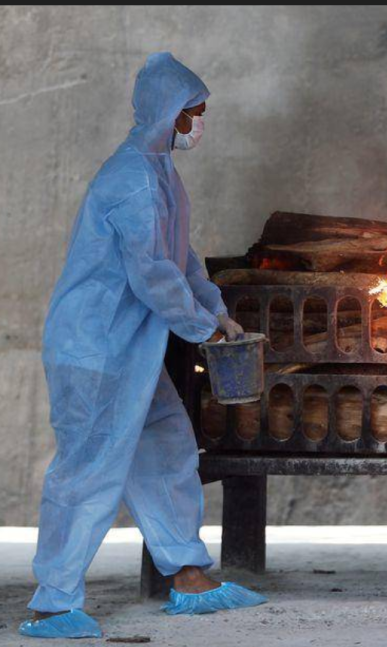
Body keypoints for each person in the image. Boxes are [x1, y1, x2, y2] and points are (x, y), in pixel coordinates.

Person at [19, 53, 266, 640]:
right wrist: (203, 330)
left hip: (131, 351)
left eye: (202, 113)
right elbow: (153, 275)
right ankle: (53, 603)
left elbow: (183, 261)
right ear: (168, 114)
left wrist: (219, 315)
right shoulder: (130, 179)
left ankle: (187, 575)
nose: (199, 124)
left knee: (166, 449)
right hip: (97, 350)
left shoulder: (160, 175)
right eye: (193, 114)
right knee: (87, 473)